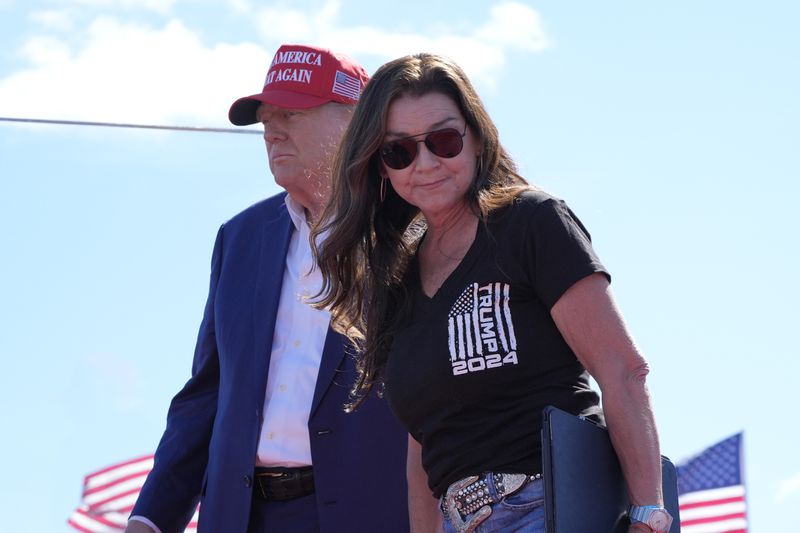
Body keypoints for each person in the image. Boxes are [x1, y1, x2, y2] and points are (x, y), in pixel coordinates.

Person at [312, 53, 673, 533]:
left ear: (477, 137)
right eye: (399, 151)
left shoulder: (531, 221)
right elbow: (423, 448)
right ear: (380, 165)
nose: (425, 163)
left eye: (443, 141)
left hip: (552, 508)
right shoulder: (394, 279)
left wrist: (649, 513)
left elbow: (624, 371)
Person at [125, 44, 409, 533]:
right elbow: (208, 394)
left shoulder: (412, 228)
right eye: (266, 119)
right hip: (243, 517)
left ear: (354, 123)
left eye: (292, 114)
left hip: (374, 512)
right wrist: (152, 517)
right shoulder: (239, 239)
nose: (272, 131)